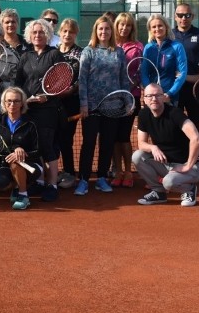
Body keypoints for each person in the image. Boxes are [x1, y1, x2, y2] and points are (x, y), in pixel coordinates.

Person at [75, 16, 130, 196]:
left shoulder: (119, 52)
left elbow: (123, 79)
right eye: (100, 29)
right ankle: (83, 180)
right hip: (91, 107)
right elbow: (82, 80)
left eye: (107, 29)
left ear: (111, 31)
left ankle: (101, 178)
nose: (104, 32)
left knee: (107, 143)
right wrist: (84, 104)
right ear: (96, 31)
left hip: (113, 106)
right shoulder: (88, 51)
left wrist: (127, 101)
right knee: (89, 143)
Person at [14, 18, 64, 201]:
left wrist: (47, 97)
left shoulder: (54, 55)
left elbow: (62, 82)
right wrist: (21, 100)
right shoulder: (25, 56)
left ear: (48, 34)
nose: (37, 35)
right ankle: (40, 182)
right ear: (29, 35)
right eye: (34, 32)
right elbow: (18, 82)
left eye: (41, 32)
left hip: (48, 109)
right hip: (28, 109)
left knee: (47, 146)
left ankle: (52, 184)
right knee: (33, 147)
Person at [132, 82, 199, 207]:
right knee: (137, 156)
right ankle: (159, 192)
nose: (153, 99)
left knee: (168, 182)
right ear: (145, 99)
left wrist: (187, 166)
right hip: (166, 164)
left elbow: (196, 138)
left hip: (190, 167)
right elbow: (141, 144)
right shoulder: (144, 114)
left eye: (157, 95)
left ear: (163, 97)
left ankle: (189, 189)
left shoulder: (175, 114)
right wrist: (153, 147)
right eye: (149, 96)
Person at [173, 3, 199, 182]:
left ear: (192, 16)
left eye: (187, 15)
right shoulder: (169, 35)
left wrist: (196, 78)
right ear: (175, 16)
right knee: (176, 128)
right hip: (174, 91)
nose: (184, 18)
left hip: (196, 91)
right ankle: (178, 165)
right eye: (180, 15)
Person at [0, 87, 41, 210]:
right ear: (4, 103)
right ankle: (16, 186)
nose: (12, 104)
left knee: (16, 163)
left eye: (16, 101)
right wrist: (15, 149)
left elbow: (39, 150)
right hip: (6, 163)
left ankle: (23, 195)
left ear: (22, 103)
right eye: (9, 101)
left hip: (31, 165)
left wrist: (23, 153)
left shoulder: (31, 123)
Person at [112, 12, 143, 188]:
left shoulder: (138, 47)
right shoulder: (109, 45)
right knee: (114, 137)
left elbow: (139, 74)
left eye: (128, 25)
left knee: (124, 136)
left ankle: (129, 171)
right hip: (111, 100)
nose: (124, 28)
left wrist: (128, 93)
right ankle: (117, 171)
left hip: (130, 98)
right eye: (121, 24)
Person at [54, 18, 81, 189]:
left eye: (71, 32)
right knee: (53, 138)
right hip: (54, 102)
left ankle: (70, 172)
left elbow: (82, 78)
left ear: (75, 34)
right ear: (60, 32)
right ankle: (56, 172)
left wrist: (71, 90)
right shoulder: (54, 51)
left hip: (71, 102)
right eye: (64, 31)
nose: (67, 34)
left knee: (67, 139)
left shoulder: (80, 53)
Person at [142, 14, 188, 104]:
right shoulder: (148, 48)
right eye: (154, 27)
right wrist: (150, 92)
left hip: (169, 97)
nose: (157, 29)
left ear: (166, 27)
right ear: (150, 30)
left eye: (160, 26)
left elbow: (182, 74)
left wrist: (169, 93)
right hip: (152, 98)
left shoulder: (177, 46)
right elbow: (144, 73)